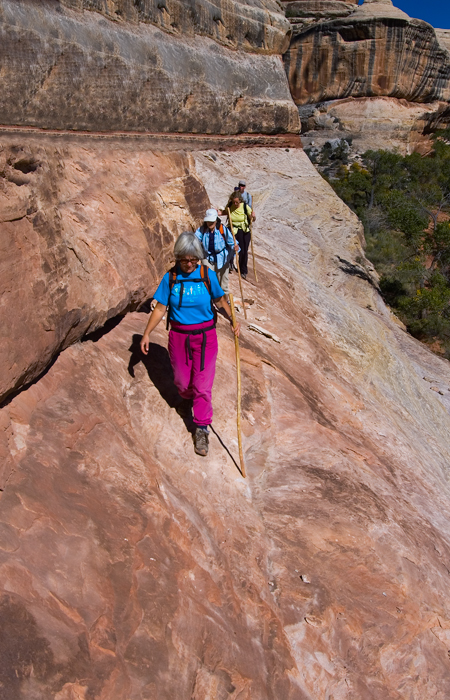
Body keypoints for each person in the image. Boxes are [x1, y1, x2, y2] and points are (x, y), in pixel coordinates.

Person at [140, 232, 240, 457]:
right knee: (182, 381)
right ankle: (186, 399)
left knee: (203, 385)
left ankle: (202, 428)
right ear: (177, 257)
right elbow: (159, 308)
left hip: (205, 337)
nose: (190, 264)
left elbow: (220, 300)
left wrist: (233, 319)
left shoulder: (207, 275)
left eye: (194, 259)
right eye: (185, 259)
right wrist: (146, 334)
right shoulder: (171, 277)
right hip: (178, 336)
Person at [195, 208, 238, 300]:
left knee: (223, 283)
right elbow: (195, 239)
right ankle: (210, 301)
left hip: (222, 258)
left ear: (216, 220)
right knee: (209, 279)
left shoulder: (222, 229)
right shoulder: (202, 229)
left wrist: (235, 247)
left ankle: (225, 302)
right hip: (207, 258)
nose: (210, 223)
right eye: (208, 221)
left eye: (212, 221)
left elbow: (232, 242)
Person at [223, 191, 252, 280]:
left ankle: (243, 270)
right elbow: (225, 212)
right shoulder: (230, 206)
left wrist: (253, 217)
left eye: (237, 202)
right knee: (230, 247)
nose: (235, 204)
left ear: (240, 201)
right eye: (234, 202)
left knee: (243, 251)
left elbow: (252, 218)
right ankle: (230, 263)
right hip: (232, 229)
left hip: (243, 230)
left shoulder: (244, 206)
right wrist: (218, 212)